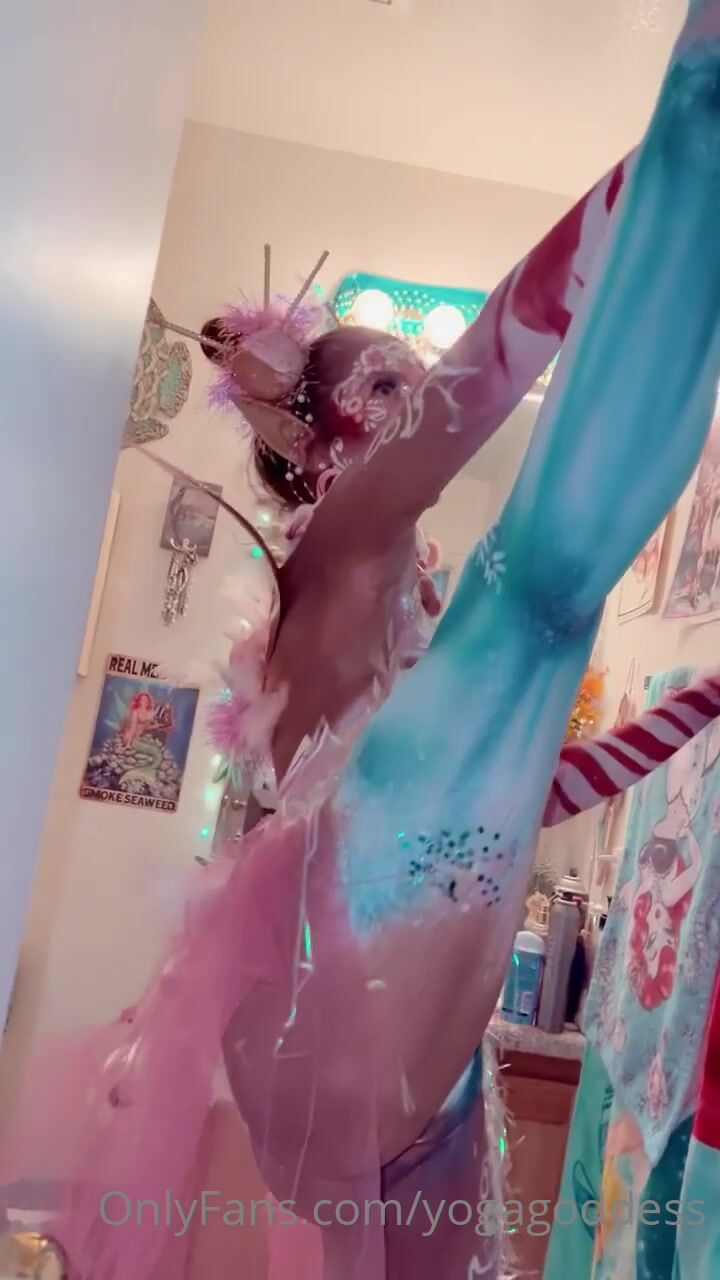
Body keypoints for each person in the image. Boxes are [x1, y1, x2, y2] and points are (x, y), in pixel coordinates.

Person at [2, 10, 720, 1277]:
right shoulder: (333, 549)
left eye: (406, 374)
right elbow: (483, 375)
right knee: (540, 603)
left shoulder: (411, 636)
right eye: (382, 383)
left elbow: (527, 789)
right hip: (333, 994)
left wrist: (698, 700)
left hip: (409, 1027)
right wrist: (660, 161)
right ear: (310, 438)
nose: (415, 397)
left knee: (535, 637)